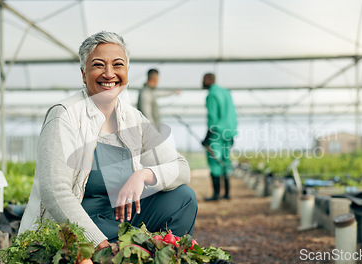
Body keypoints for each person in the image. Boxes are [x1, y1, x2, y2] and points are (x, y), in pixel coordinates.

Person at [18, 31, 197, 251]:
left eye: (118, 65)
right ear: (84, 74)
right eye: (98, 65)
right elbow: (55, 191)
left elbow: (181, 167)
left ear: (127, 73)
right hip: (75, 225)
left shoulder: (133, 118)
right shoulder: (64, 116)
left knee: (184, 198)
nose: (109, 73)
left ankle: (165, 255)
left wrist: (144, 175)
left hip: (120, 220)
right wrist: (99, 244)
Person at [201, 73, 237, 201]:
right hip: (228, 133)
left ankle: (216, 195)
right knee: (225, 162)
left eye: (203, 80)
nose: (202, 83)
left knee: (214, 161)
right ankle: (227, 194)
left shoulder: (212, 94)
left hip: (216, 134)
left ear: (208, 80)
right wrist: (232, 134)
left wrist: (207, 137)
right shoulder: (226, 93)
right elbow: (233, 114)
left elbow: (212, 117)